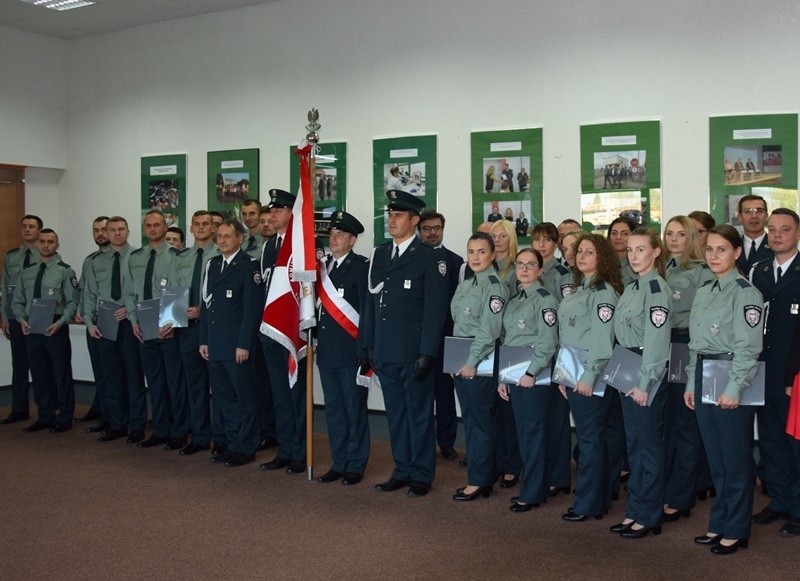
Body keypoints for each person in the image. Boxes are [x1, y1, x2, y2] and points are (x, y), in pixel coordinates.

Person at [360, 189, 449, 497]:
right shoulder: (380, 254)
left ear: (414, 220)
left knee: (419, 413)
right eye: (390, 215)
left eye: (398, 216)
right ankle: (402, 468)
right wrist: (367, 344)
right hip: (385, 350)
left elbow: (435, 311)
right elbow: (371, 302)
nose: (391, 220)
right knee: (395, 414)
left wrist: (427, 352)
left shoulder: (428, 257)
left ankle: (422, 473)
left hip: (413, 352)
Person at [685, 224, 763, 554]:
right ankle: (719, 522)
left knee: (735, 458)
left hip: (732, 375)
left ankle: (736, 527)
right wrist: (691, 382)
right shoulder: (705, 291)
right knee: (716, 458)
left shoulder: (746, 293)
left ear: (736, 253)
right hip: (705, 371)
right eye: (710, 249)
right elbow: (695, 345)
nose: (714, 255)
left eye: (721, 249)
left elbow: (749, 348)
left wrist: (735, 388)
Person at [610, 227, 672, 538]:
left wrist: (645, 383)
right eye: (630, 250)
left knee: (648, 446)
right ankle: (635, 508)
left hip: (646, 371)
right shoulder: (633, 288)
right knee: (633, 444)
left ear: (656, 252)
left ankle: (649, 515)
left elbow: (658, 344)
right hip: (628, 366)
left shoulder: (656, 291)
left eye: (641, 250)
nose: (634, 256)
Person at [558, 234, 623, 521]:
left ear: (603, 258)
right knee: (597, 436)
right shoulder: (581, 289)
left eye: (589, 252)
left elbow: (601, 341)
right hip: (575, 371)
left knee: (590, 439)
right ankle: (601, 496)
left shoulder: (603, 292)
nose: (581, 256)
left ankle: (588, 503)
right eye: (579, 251)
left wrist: (587, 376)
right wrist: (564, 375)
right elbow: (570, 336)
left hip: (590, 374)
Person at [749, 209, 800, 528]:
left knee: (795, 442)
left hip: (792, 373)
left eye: (785, 229)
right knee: (769, 439)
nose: (777, 234)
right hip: (761, 369)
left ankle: (797, 507)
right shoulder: (758, 270)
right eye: (773, 229)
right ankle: (780, 500)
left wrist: (794, 375)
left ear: (797, 234)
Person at [661, 215, 715, 521]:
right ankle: (675, 486)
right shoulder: (663, 267)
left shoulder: (701, 271)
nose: (674, 239)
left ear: (693, 237)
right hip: (663, 345)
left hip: (685, 345)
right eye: (669, 233)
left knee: (684, 423)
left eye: (681, 234)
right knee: (667, 421)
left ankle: (682, 496)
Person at [498, 248, 559, 511]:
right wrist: (503, 377)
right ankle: (532, 485)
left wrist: (531, 373)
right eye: (520, 264)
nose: (524, 269)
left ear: (540, 270)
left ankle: (533, 492)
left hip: (534, 376)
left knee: (533, 433)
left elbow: (548, 343)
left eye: (530, 265)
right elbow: (508, 341)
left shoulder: (545, 300)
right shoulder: (515, 300)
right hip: (514, 376)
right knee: (524, 432)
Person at [200, 220, 263, 467]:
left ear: (240, 239)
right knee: (224, 398)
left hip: (237, 346)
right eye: (219, 237)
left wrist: (245, 344)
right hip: (215, 344)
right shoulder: (213, 265)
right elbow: (206, 305)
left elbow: (251, 309)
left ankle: (246, 447)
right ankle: (229, 443)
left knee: (244, 398)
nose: (222, 240)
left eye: (227, 236)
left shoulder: (248, 266)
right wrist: (203, 339)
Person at [450, 232, 507, 501]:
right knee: (472, 420)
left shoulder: (493, 286)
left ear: (493, 255)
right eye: (471, 251)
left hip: (480, 360)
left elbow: (489, 331)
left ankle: (480, 479)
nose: (475, 257)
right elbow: (458, 325)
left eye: (481, 252)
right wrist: (456, 361)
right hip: (463, 359)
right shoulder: (466, 285)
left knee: (480, 422)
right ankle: (484, 473)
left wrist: (471, 362)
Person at [315, 211, 370, 485]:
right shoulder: (322, 268)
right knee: (334, 411)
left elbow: (367, 313)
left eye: (340, 234)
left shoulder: (361, 268)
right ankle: (339, 461)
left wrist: (365, 350)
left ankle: (355, 464)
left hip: (351, 352)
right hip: (326, 352)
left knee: (354, 410)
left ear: (352, 240)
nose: (333, 238)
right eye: (332, 234)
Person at [125, 210, 187, 450]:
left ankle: (179, 431)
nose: (152, 229)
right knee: (155, 382)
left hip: (167, 325)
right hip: (144, 323)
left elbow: (181, 288)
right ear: (144, 228)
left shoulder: (177, 256)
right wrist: (133, 320)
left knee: (174, 381)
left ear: (165, 226)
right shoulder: (136, 257)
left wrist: (171, 322)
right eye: (148, 225)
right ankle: (160, 430)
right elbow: (130, 292)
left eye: (157, 224)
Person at [83, 216, 147, 443]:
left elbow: (144, 290)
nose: (117, 233)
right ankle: (117, 423)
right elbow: (89, 295)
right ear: (106, 234)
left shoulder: (140, 257)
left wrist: (130, 311)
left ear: (128, 232)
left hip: (131, 323)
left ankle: (137, 425)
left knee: (133, 376)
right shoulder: (94, 262)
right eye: (112, 230)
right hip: (105, 324)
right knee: (111, 377)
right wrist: (90, 324)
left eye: (121, 229)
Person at [259, 188, 308, 474]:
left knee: (296, 394)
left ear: (292, 213)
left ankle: (300, 452)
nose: (272, 215)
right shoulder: (268, 246)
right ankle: (286, 448)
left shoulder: (302, 244)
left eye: (278, 210)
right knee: (279, 393)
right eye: (271, 210)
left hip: (294, 331)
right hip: (271, 330)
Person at [12, 229, 78, 433]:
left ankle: (65, 416)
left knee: (61, 373)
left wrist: (62, 322)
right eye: (43, 241)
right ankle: (45, 416)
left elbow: (72, 302)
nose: (46, 245)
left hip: (55, 325)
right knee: (39, 373)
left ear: (57, 245)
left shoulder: (65, 271)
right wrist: (22, 320)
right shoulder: (27, 272)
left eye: (51, 242)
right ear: (38, 243)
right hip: (32, 326)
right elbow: (17, 302)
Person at [532, 222, 574, 497]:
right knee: (538, 419)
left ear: (556, 243)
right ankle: (540, 472)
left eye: (547, 240)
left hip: (556, 350)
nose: (542, 245)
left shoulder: (563, 274)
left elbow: (566, 311)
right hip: (531, 351)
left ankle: (559, 475)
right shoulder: (526, 270)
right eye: (537, 239)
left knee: (556, 418)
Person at [172, 210, 219, 455]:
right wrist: (168, 321)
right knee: (195, 385)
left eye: (206, 224)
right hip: (187, 330)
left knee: (220, 386)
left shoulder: (220, 255)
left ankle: (222, 437)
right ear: (190, 228)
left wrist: (204, 310)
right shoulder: (181, 258)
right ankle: (200, 435)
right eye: (197, 224)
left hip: (213, 329)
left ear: (213, 228)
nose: (201, 228)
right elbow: (171, 290)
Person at [418, 210, 464, 460]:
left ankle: (446, 441)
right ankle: (422, 441)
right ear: (419, 231)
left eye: (437, 228)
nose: (433, 233)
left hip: (446, 338)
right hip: (418, 339)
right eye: (427, 229)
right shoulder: (412, 260)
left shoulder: (456, 262)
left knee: (444, 393)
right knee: (420, 395)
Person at [0, 214, 42, 425]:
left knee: (41, 365)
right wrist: (5, 316)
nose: (27, 230)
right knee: (19, 365)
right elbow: (5, 288)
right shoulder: (12, 257)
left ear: (39, 230)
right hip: (16, 317)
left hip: (38, 317)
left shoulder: (45, 254)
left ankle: (47, 409)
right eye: (24, 226)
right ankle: (19, 409)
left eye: (32, 227)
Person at [489, 219, 522, 487]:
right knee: (492, 408)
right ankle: (498, 459)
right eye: (494, 236)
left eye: (503, 236)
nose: (498, 240)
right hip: (488, 344)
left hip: (509, 343)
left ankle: (512, 462)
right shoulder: (485, 268)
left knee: (508, 407)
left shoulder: (515, 270)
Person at [74, 216, 110, 430]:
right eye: (96, 230)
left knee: (113, 372)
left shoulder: (124, 258)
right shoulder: (90, 260)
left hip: (112, 321)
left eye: (104, 229)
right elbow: (84, 290)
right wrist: (81, 312)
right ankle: (101, 409)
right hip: (92, 322)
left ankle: (111, 415)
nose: (100, 234)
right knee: (99, 370)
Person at [735, 194, 772, 274]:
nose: (754, 216)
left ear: (766, 216)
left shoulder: (776, 246)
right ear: (739, 217)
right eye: (748, 211)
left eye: (759, 211)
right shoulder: (733, 246)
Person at [608, 216, 637, 285]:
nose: (618, 237)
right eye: (614, 233)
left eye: (625, 234)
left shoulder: (638, 264)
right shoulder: (601, 263)